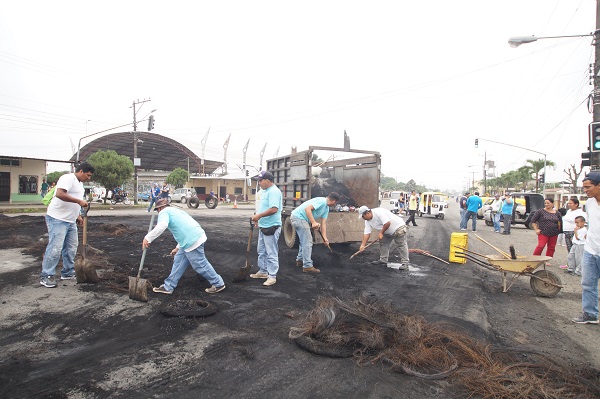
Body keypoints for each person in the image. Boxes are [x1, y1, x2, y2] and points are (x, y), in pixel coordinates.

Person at [145, 198, 225, 294]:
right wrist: (178, 248)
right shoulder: (175, 211)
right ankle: (168, 286)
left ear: (159, 208)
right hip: (192, 237)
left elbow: (162, 224)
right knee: (178, 262)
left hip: (192, 240)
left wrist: (148, 238)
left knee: (199, 264)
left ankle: (218, 283)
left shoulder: (164, 212)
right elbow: (184, 229)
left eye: (157, 210)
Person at [40, 162, 94, 288]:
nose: (89, 178)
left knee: (71, 248)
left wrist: (78, 216)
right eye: (88, 175)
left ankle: (68, 272)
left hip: (70, 221)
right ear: (81, 172)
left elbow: (74, 204)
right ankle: (46, 275)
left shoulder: (80, 185)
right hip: (57, 219)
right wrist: (79, 201)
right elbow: (59, 194)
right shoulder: (67, 178)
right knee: (55, 248)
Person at [572, 172, 600, 324]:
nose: (585, 190)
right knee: (588, 283)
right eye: (584, 187)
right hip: (590, 250)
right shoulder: (589, 203)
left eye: (588, 187)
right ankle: (590, 314)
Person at [290, 192, 340, 273]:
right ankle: (307, 266)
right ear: (334, 201)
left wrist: (325, 238)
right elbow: (307, 209)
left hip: (299, 218)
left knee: (304, 240)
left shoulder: (326, 208)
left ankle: (300, 260)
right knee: (308, 241)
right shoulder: (322, 202)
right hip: (298, 218)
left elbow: (323, 224)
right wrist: (313, 222)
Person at [250, 171, 282, 286]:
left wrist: (258, 216)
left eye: (261, 180)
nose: (259, 182)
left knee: (271, 252)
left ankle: (272, 276)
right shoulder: (264, 191)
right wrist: (258, 219)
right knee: (261, 250)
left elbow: (274, 209)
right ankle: (263, 271)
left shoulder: (274, 191)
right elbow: (262, 207)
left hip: (271, 226)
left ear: (268, 180)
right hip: (264, 225)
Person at [356, 206, 410, 270]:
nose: (363, 218)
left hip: (398, 227)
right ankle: (383, 260)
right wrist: (362, 245)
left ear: (367, 213)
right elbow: (367, 233)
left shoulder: (378, 212)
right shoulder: (367, 220)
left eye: (363, 216)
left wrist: (381, 232)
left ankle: (405, 264)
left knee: (401, 245)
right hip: (386, 230)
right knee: (383, 243)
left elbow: (387, 223)